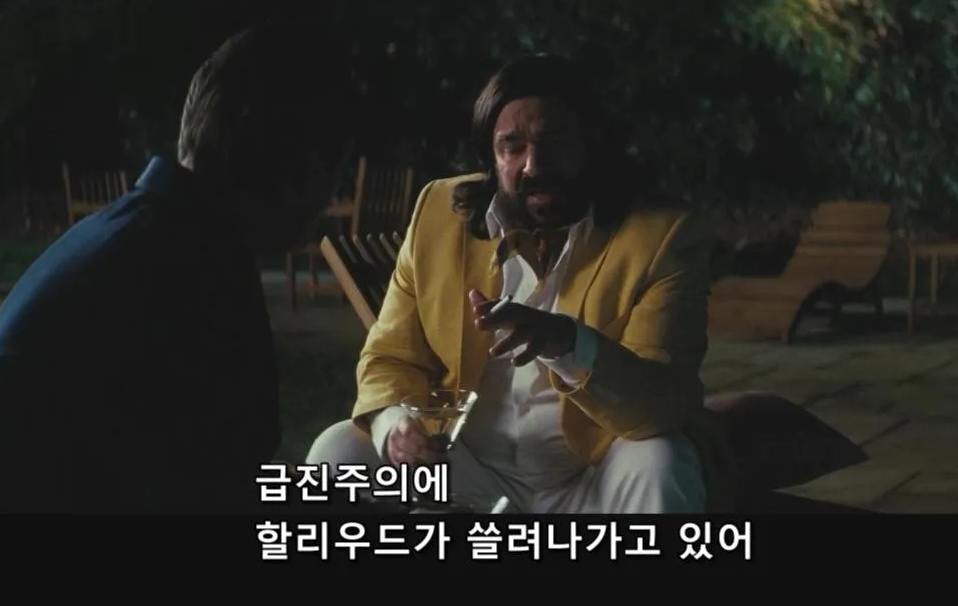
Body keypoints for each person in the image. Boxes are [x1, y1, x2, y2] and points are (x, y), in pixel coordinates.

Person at [0, 25, 359, 513]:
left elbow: (222, 475)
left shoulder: (138, 233)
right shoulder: (195, 272)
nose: (329, 197)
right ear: (305, 169)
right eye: (336, 171)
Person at [307, 54, 732, 513]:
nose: (533, 166)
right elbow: (389, 356)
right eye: (512, 147)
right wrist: (396, 427)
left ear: (592, 143)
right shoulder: (438, 213)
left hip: (592, 479)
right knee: (337, 453)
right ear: (490, 157)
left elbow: (662, 402)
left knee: (662, 460)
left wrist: (569, 344)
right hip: (464, 470)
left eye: (554, 143)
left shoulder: (662, 236)